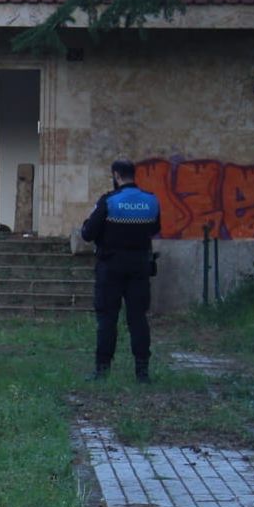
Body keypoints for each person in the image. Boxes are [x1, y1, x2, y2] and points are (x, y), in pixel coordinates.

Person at [79, 158, 162, 382]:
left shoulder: (109, 201)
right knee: (138, 319)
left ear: (116, 175)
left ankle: (102, 370)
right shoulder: (151, 201)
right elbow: (155, 228)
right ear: (133, 175)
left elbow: (87, 233)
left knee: (107, 319)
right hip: (140, 266)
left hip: (111, 267)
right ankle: (142, 372)